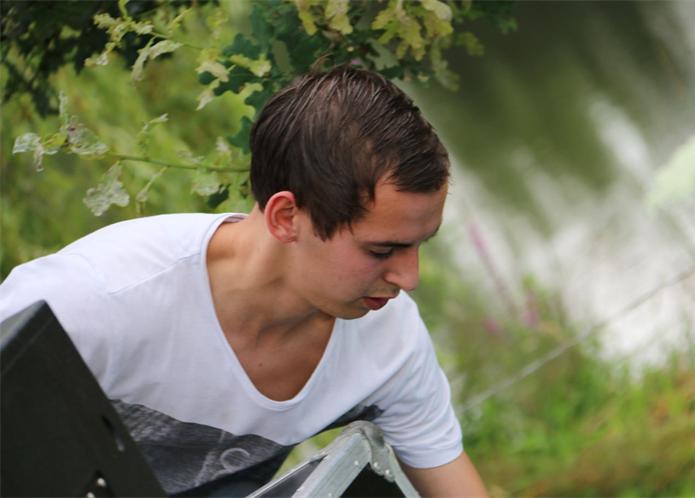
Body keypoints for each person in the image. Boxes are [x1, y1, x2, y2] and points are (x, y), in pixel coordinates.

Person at [0, 67, 488, 497]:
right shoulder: (90, 299)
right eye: (381, 250)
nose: (409, 277)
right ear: (286, 217)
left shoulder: (391, 342)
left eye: (419, 245)